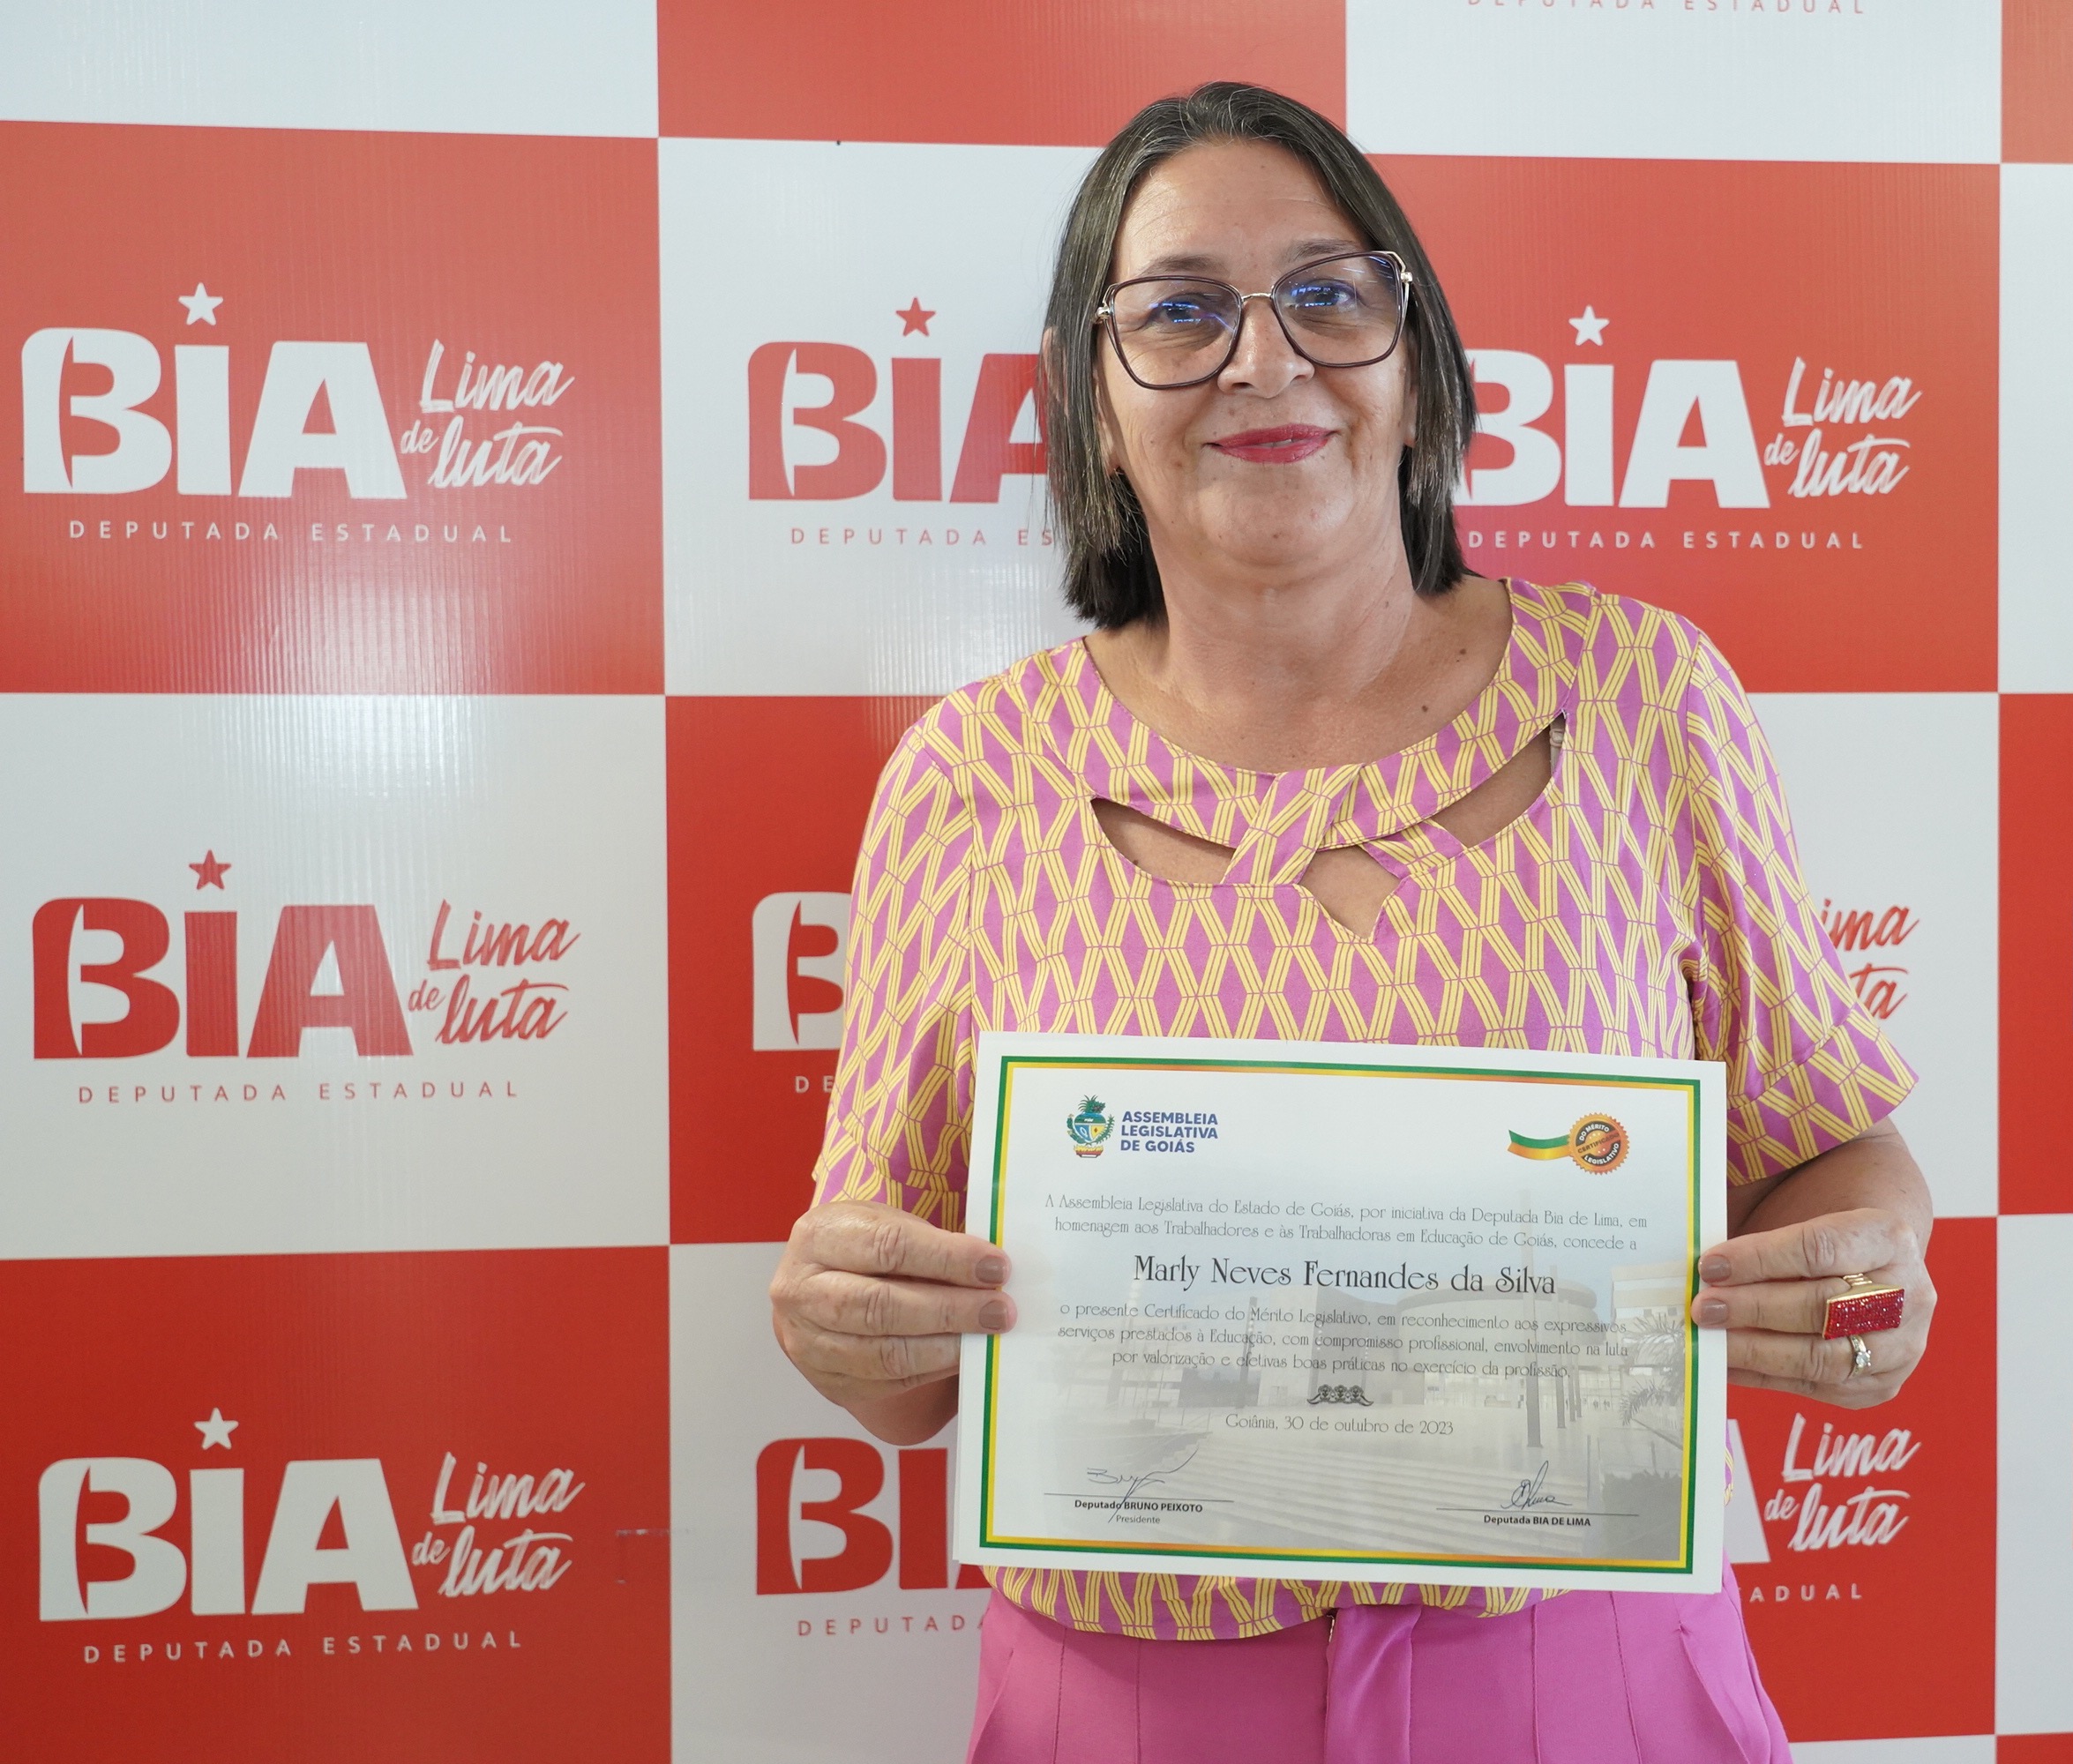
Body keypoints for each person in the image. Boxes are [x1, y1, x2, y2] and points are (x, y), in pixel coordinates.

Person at [767, 83, 1934, 1764]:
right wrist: (836, 1322)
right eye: (1179, 312)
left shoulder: (1645, 699)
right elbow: (904, 1374)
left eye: (1325, 294)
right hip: (1133, 1704)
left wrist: (1861, 1268)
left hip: (1581, 1674)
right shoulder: (970, 780)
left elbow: (1828, 1146)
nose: (1262, 361)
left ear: (1417, 368)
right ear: (1093, 408)